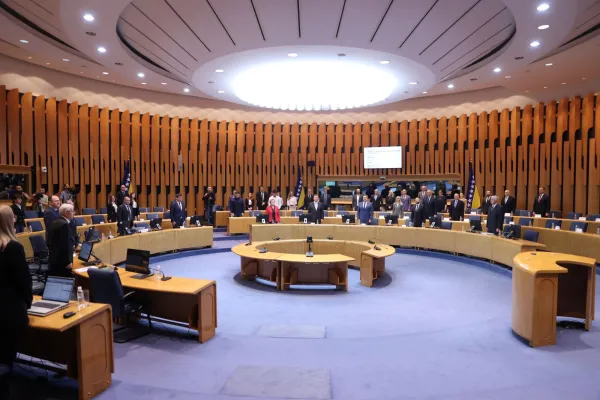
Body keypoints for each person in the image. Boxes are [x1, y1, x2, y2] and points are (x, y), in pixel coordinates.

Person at [0, 205, 32, 399]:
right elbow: (24, 282)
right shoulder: (12, 247)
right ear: (9, 221)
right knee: (5, 359)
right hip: (9, 314)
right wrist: (27, 304)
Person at [48, 203, 76, 277]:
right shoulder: (64, 225)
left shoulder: (55, 222)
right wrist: (68, 262)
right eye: (72, 211)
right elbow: (65, 245)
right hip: (62, 262)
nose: (74, 213)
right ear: (66, 213)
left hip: (54, 258)